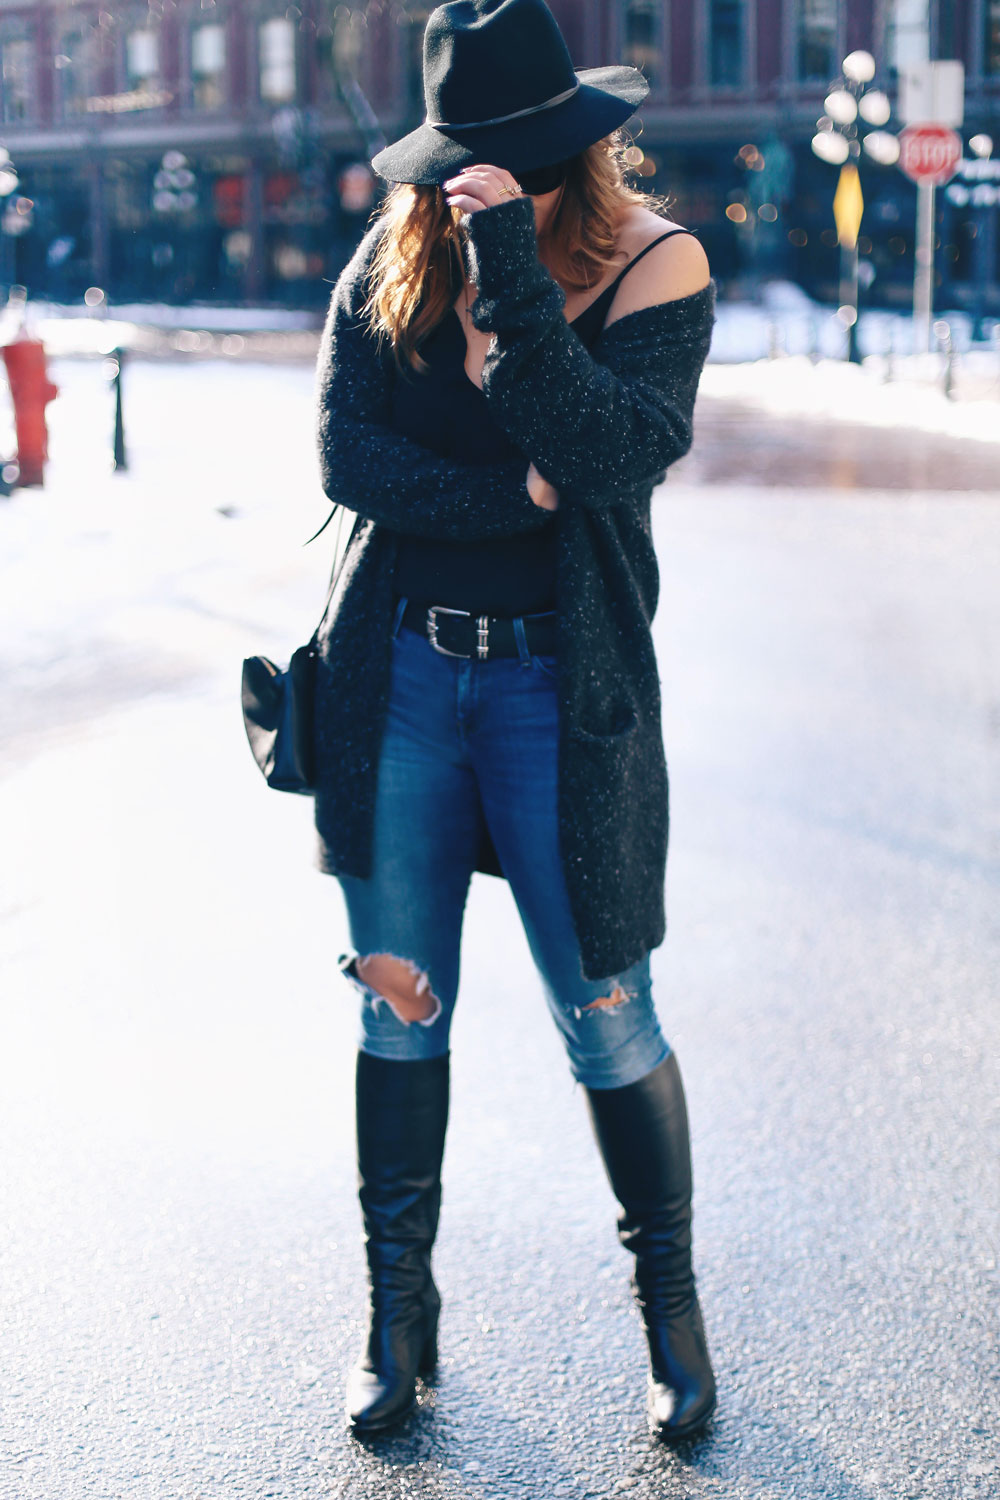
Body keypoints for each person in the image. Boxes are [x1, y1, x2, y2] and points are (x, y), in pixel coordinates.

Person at [311, 0, 717, 1443]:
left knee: (608, 1015)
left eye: (500, 169)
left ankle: (673, 1318)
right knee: (399, 1000)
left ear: (565, 147)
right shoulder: (395, 251)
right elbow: (347, 457)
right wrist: (506, 503)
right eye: (457, 171)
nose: (469, 189)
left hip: (567, 688)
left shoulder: (659, 266)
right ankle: (396, 1319)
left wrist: (513, 282)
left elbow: (609, 454)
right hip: (406, 675)